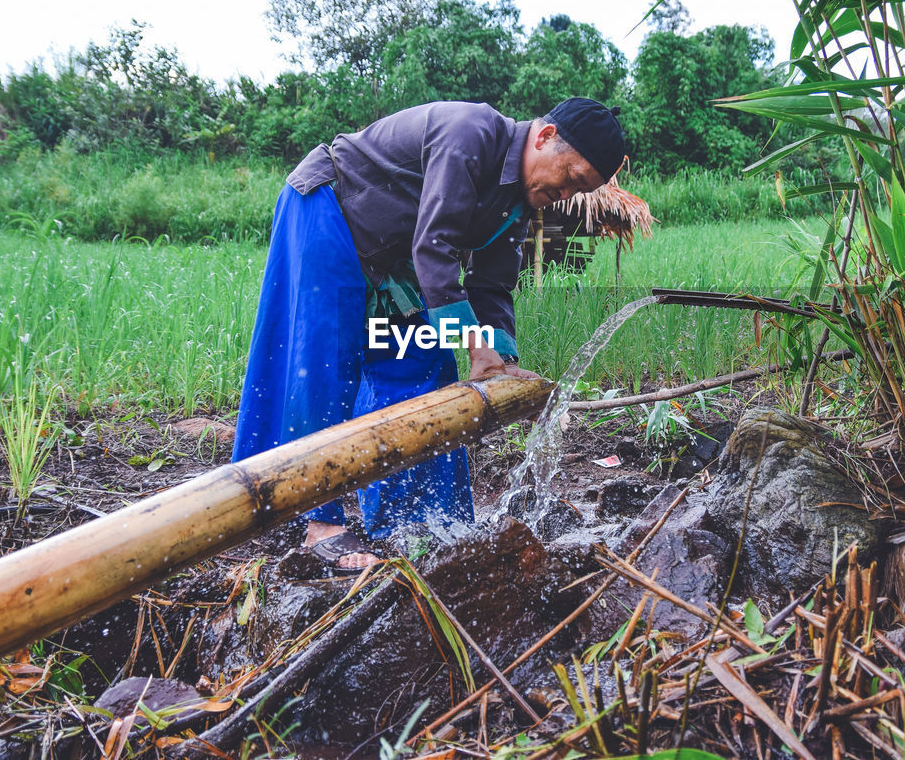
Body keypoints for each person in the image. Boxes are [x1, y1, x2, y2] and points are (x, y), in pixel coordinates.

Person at [232, 98, 626, 573]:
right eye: (572, 179)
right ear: (545, 138)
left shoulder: (520, 199)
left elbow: (492, 284)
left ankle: (416, 520)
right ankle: (316, 521)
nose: (567, 194)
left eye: (580, 190)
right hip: (329, 210)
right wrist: (473, 344)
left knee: (423, 361)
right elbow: (434, 243)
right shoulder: (470, 134)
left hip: (390, 258)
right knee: (323, 366)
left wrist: (500, 360)